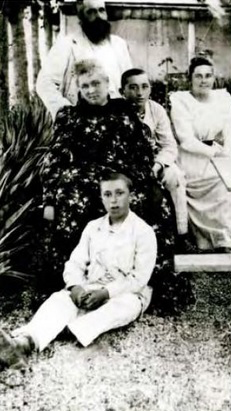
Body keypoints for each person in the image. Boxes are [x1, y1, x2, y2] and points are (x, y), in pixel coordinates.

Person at [41, 59, 175, 298]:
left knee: (157, 203)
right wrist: (49, 199)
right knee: (72, 202)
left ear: (107, 83)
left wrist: (145, 177)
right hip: (83, 179)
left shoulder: (125, 111)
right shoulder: (70, 116)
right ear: (79, 89)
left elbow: (142, 150)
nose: (91, 90)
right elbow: (55, 158)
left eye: (95, 83)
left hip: (123, 175)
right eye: (85, 86)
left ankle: (142, 280)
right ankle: (75, 283)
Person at [0, 173, 156, 370]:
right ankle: (25, 343)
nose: (114, 200)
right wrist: (75, 288)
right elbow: (75, 263)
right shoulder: (93, 227)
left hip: (126, 293)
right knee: (60, 299)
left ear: (131, 195)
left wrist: (105, 293)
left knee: (120, 308)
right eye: (107, 194)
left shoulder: (143, 231)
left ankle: (66, 330)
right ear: (101, 198)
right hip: (91, 287)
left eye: (120, 193)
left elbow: (139, 277)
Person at [169, 56, 231, 252]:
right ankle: (207, 240)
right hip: (192, 158)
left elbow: (230, 131)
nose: (203, 80)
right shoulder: (181, 101)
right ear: (190, 78)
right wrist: (215, 153)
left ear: (214, 78)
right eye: (198, 76)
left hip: (218, 156)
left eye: (208, 76)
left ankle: (229, 240)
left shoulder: (222, 98)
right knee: (222, 184)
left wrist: (227, 154)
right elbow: (186, 139)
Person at [36, 0, 133, 118]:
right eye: (91, 12)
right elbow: (45, 83)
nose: (98, 16)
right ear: (81, 17)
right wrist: (65, 111)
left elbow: (130, 81)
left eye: (101, 10)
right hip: (82, 118)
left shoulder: (119, 44)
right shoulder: (67, 44)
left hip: (117, 118)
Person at [120, 68, 188, 235]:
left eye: (144, 87)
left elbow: (169, 145)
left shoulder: (156, 110)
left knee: (175, 176)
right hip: (127, 165)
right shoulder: (117, 111)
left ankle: (180, 233)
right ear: (123, 91)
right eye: (133, 87)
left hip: (154, 163)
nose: (140, 93)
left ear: (150, 88)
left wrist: (157, 165)